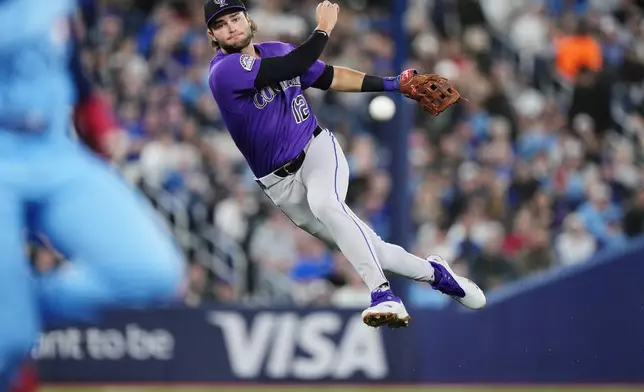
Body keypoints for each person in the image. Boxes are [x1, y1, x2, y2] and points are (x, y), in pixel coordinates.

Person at [205, 0, 486, 329]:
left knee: (326, 203)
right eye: (221, 24)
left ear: (247, 19)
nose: (231, 27)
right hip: (279, 186)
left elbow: (328, 77)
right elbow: (287, 68)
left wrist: (392, 83)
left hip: (316, 150)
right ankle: (437, 275)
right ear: (213, 34)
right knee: (371, 249)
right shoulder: (223, 71)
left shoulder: (278, 49)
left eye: (235, 18)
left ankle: (382, 294)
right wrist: (323, 29)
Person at [0, 0, 186, 389]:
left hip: (54, 149)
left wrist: (96, 121)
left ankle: (15, 309)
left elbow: (67, 58)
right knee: (8, 343)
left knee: (152, 274)